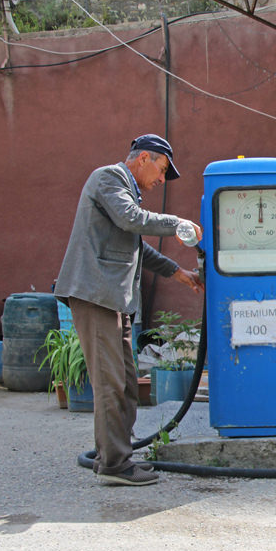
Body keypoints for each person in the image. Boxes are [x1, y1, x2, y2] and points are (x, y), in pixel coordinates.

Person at [55, 134, 204, 486]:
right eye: (162, 170)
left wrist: (177, 273)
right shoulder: (109, 178)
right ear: (143, 159)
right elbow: (131, 220)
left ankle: (112, 455)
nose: (161, 180)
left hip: (114, 299)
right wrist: (177, 224)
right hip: (96, 295)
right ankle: (115, 465)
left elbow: (135, 245)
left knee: (123, 382)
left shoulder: (127, 192)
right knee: (110, 382)